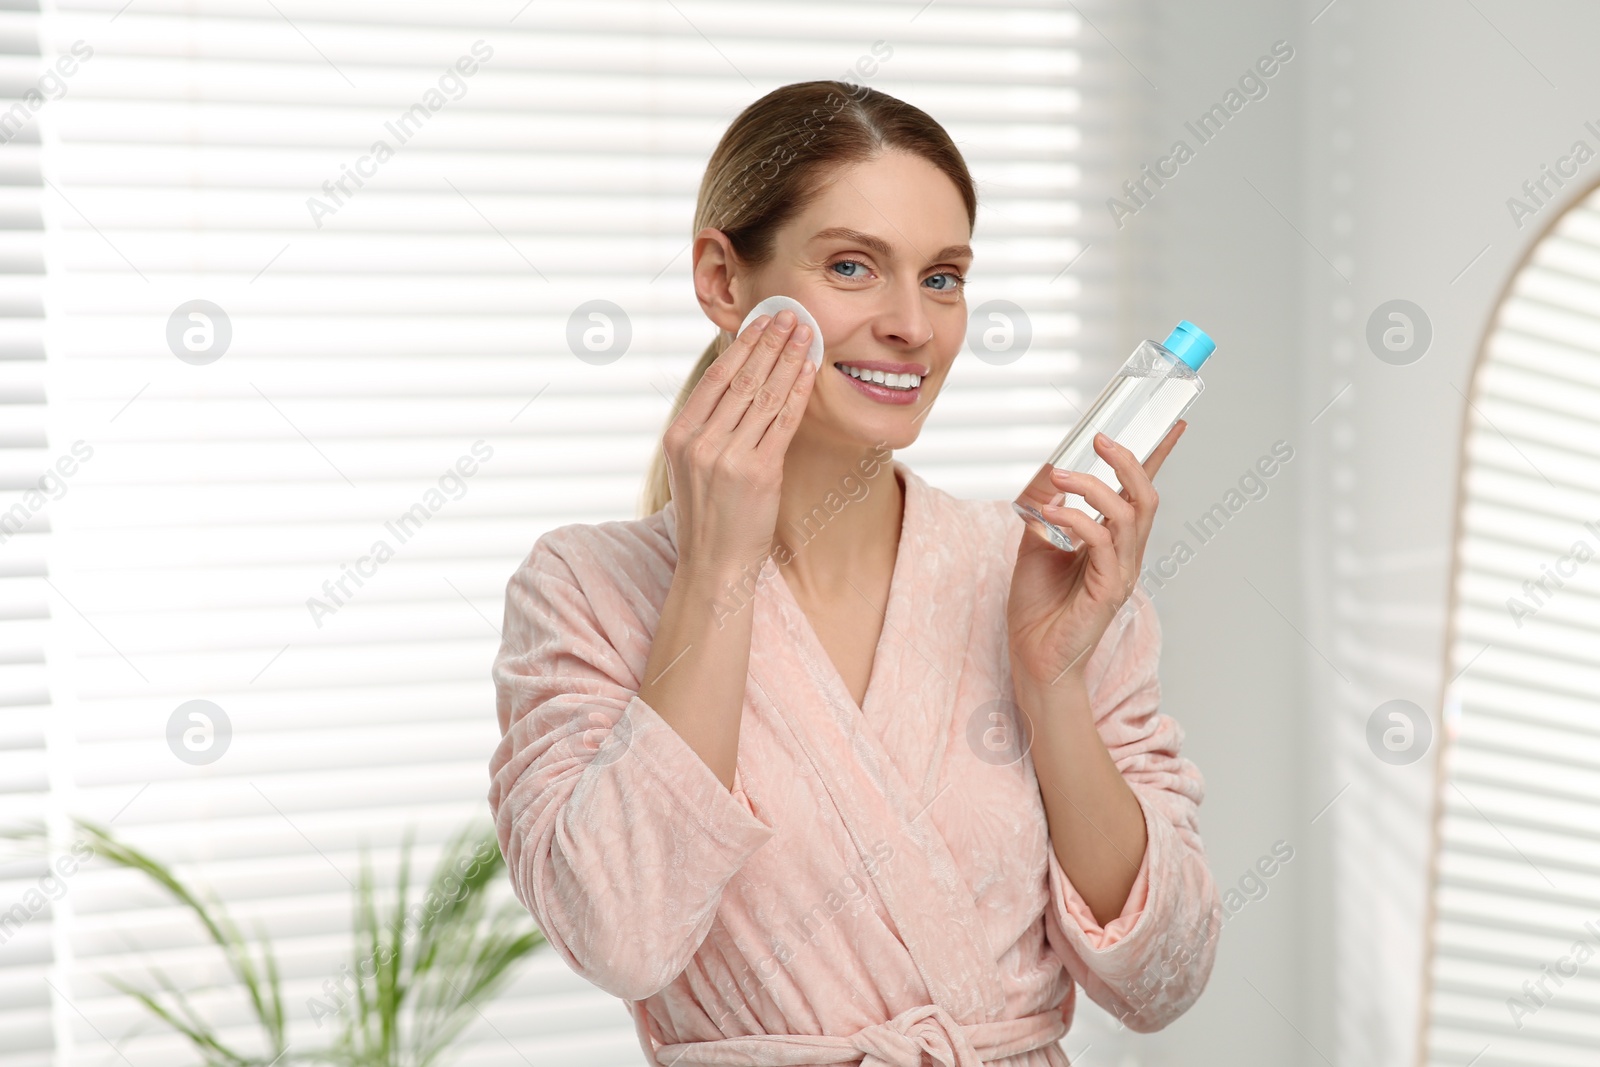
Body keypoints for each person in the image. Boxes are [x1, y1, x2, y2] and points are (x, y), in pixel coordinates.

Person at [488, 79, 1221, 1067]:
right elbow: (622, 931)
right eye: (850, 266)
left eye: (943, 277)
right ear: (721, 277)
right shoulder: (585, 589)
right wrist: (714, 571)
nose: (911, 326)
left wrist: (1048, 679)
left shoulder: (1040, 573)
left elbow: (1163, 976)